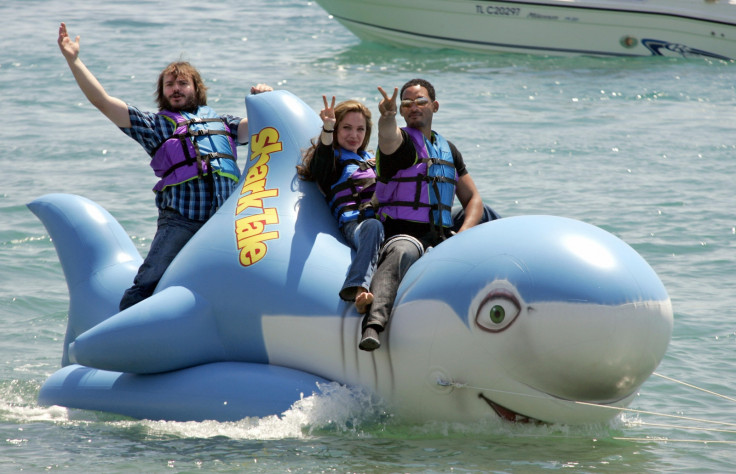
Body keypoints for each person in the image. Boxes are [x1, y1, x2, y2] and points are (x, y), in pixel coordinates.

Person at [57, 22, 273, 311]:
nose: (175, 89)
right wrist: (74, 60)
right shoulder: (155, 126)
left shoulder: (222, 123)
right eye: (169, 85)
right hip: (182, 220)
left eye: (182, 83)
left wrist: (265, 99)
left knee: (246, 279)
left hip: (225, 221)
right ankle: (124, 337)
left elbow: (258, 127)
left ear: (196, 88)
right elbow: (103, 102)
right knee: (148, 282)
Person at [359, 78, 485, 351]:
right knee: (402, 251)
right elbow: (388, 137)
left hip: (441, 234)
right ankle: (373, 325)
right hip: (403, 231)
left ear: (435, 106)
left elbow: (474, 199)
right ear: (402, 111)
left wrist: (462, 237)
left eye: (421, 101)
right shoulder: (402, 144)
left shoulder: (448, 150)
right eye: (407, 104)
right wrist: (387, 117)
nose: (414, 107)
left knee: (491, 220)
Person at [297, 96, 384, 313]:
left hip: (384, 222)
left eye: (360, 129)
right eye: (346, 128)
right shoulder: (333, 160)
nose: (354, 135)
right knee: (373, 226)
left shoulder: (371, 159)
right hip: (357, 226)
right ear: (336, 130)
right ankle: (357, 289)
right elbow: (320, 165)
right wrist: (327, 129)